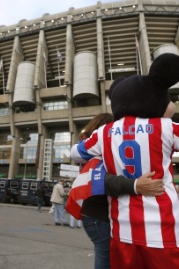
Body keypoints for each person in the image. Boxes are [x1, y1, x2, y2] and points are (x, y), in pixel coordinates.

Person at [70, 53, 179, 269]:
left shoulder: (103, 132)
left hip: (122, 230)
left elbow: (76, 153)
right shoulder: (165, 127)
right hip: (162, 230)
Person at [66, 113, 164, 269]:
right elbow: (103, 180)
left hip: (94, 214)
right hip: (98, 215)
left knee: (108, 257)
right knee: (106, 259)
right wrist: (135, 185)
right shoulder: (98, 152)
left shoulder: (91, 151)